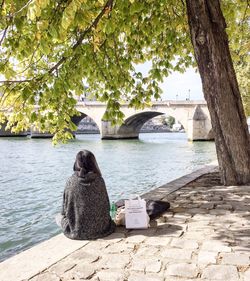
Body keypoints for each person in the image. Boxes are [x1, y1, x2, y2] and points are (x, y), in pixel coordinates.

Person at [56, 150, 115, 240]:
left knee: (57, 217)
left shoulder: (70, 181)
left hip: (77, 232)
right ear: (93, 163)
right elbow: (106, 205)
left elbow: (64, 211)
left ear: (77, 163)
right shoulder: (99, 180)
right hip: (103, 229)